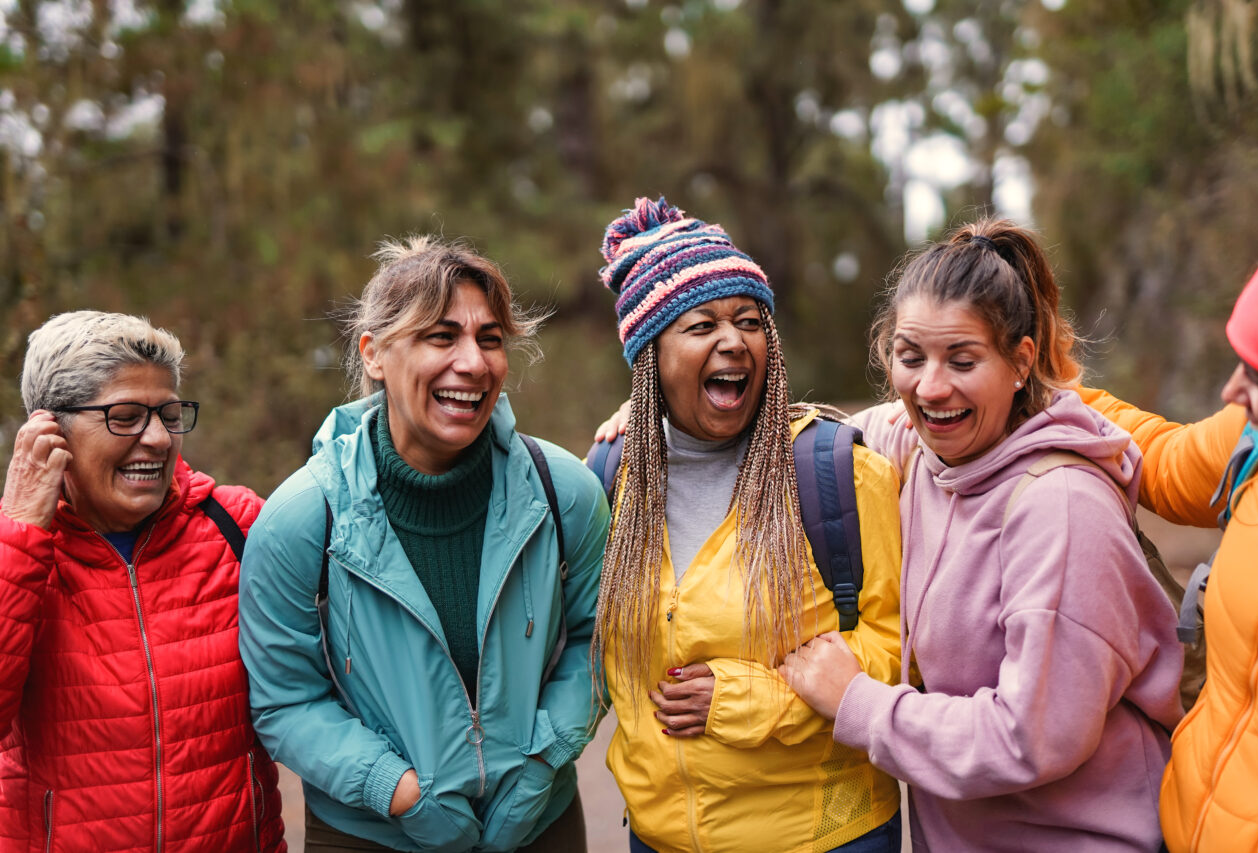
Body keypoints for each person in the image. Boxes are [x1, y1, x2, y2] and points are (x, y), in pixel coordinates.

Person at [778, 219, 1184, 851]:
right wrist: (656, 412)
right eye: (910, 357)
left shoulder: (1062, 507)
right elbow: (808, 436)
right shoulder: (916, 448)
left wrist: (858, 702)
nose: (931, 388)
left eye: (963, 361)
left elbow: (1030, 737)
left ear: (1020, 362)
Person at [238, 236, 610, 852]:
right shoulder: (303, 520)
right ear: (375, 354)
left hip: (540, 823)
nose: (473, 362)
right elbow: (285, 700)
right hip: (369, 834)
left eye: (489, 339)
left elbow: (597, 643)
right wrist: (399, 791)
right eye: (441, 337)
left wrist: (541, 765)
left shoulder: (562, 491)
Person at [591, 198, 904, 853]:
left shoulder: (837, 475)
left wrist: (749, 699)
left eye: (748, 320)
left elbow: (900, 653)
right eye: (701, 323)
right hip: (658, 837)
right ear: (651, 356)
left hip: (822, 837)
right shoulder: (612, 480)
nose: (733, 340)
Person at [0, 311, 286, 852]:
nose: (156, 439)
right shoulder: (16, 553)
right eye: (125, 417)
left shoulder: (238, 526)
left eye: (169, 415)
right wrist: (18, 535)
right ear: (48, 431)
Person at [1077, 255, 1258, 852]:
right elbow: (1162, 461)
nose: (1231, 391)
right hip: (1183, 823)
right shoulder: (1257, 442)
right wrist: (1052, 394)